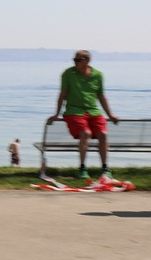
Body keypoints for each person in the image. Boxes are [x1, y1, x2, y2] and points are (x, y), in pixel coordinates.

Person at [47, 49, 120, 180]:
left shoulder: (98, 75)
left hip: (93, 111)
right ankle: (82, 167)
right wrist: (56, 114)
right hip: (74, 112)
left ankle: (105, 167)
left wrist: (110, 114)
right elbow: (62, 95)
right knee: (85, 133)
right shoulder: (68, 74)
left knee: (102, 134)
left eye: (78, 60)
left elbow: (101, 96)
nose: (75, 62)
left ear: (87, 60)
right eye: (74, 59)